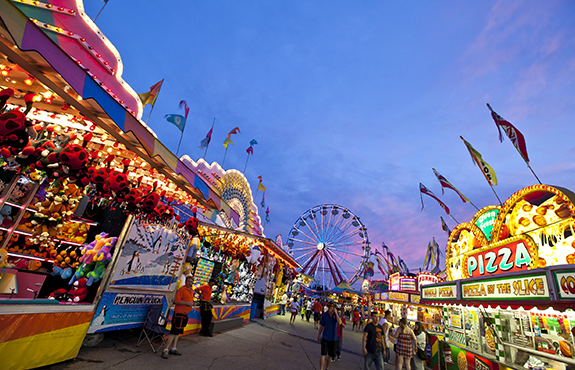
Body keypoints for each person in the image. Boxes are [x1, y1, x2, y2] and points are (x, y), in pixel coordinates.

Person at [162, 275, 194, 359]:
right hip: (179, 314)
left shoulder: (191, 290)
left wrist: (191, 304)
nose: (190, 283)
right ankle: (165, 349)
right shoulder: (181, 290)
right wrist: (187, 303)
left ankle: (173, 347)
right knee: (173, 332)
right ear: (186, 282)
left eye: (191, 282)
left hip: (185, 314)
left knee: (177, 332)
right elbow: (177, 301)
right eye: (188, 281)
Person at [317, 302, 342, 370]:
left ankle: (327, 368)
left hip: (333, 338)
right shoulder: (325, 315)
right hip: (325, 337)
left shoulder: (336, 315)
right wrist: (319, 334)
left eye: (331, 308)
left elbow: (339, 322)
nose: (330, 309)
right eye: (329, 308)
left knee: (330, 355)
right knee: (323, 354)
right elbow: (322, 326)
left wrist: (336, 312)